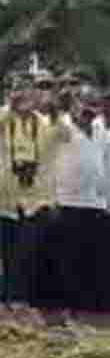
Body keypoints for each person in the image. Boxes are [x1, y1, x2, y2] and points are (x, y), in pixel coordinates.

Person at [34, 90, 110, 321]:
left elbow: (108, 166)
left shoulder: (101, 131)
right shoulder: (62, 127)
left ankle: (85, 307)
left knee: (89, 258)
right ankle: (60, 308)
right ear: (73, 105)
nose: (89, 110)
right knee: (64, 257)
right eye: (84, 104)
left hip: (95, 202)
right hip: (66, 200)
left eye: (93, 105)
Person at [0, 76, 56, 308]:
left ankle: (18, 301)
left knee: (22, 255)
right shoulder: (2, 116)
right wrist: (9, 109)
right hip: (3, 198)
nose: (24, 96)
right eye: (19, 90)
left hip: (32, 199)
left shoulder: (42, 123)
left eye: (29, 91)